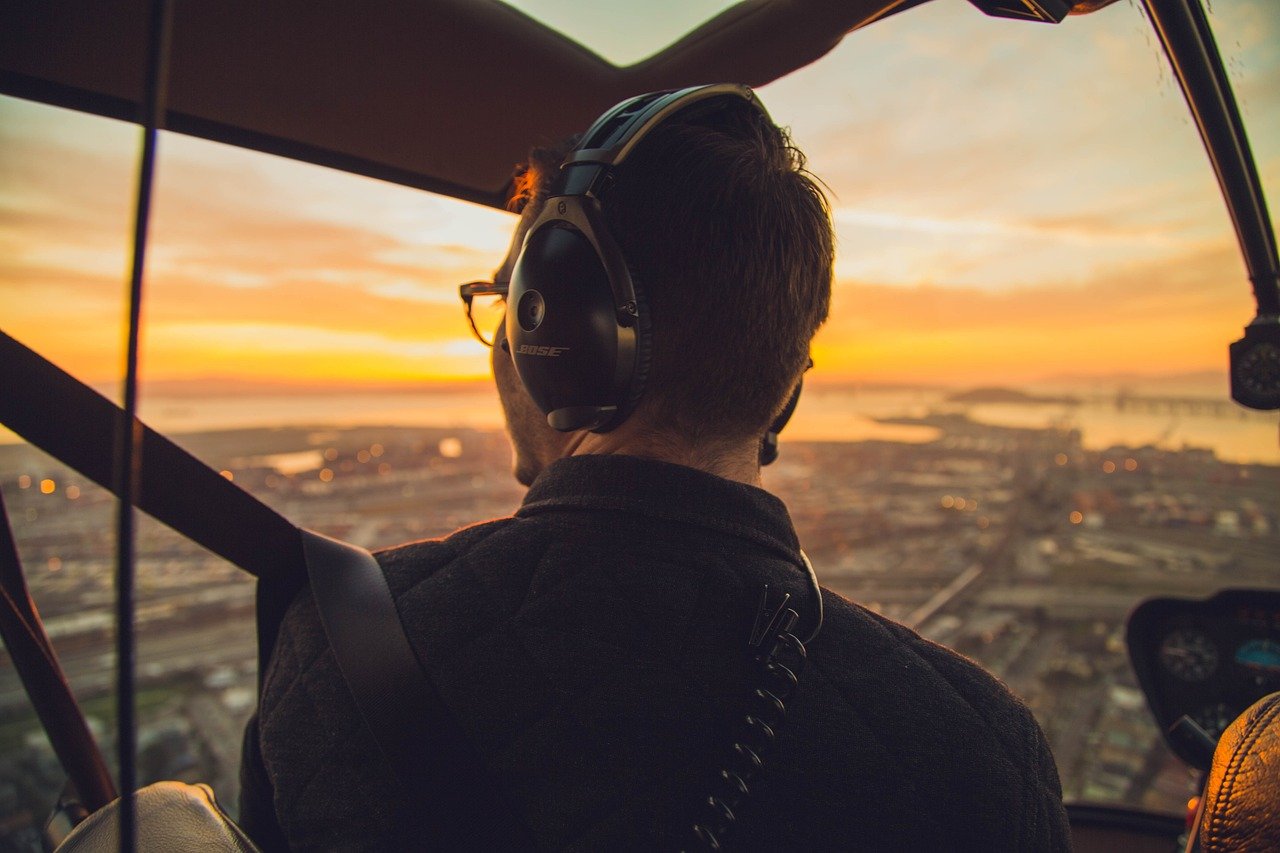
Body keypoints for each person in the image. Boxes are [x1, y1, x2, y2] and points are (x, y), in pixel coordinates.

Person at [238, 86, 1070, 851]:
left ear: (552, 326)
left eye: (507, 303)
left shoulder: (335, 647)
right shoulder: (985, 753)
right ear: (786, 386)